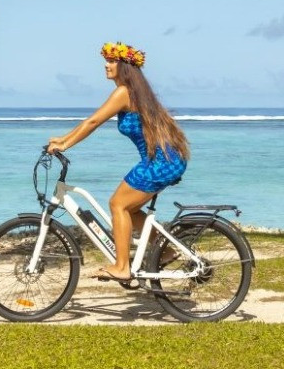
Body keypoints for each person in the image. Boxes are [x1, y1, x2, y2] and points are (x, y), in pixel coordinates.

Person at [44, 42, 189, 283]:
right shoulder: (134, 92)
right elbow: (90, 121)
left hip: (162, 161)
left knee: (118, 205)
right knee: (128, 208)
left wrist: (65, 145)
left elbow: (93, 122)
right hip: (164, 159)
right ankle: (168, 251)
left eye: (112, 61)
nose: (106, 65)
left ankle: (122, 267)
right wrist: (62, 139)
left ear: (124, 67)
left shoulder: (124, 92)